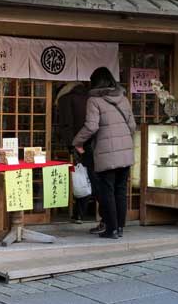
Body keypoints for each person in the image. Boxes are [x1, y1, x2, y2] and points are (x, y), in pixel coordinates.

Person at [73, 67, 136, 239]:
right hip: (125, 153)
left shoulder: (94, 100)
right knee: (120, 190)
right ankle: (120, 228)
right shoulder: (123, 98)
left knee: (107, 190)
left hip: (106, 153)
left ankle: (111, 229)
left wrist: (77, 141)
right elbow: (132, 126)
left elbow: (91, 126)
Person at [55, 81, 92, 225]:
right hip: (93, 143)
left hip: (77, 144)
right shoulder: (91, 99)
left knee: (79, 177)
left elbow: (66, 125)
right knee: (89, 177)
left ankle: (78, 213)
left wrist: (72, 145)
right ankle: (89, 213)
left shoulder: (66, 99)